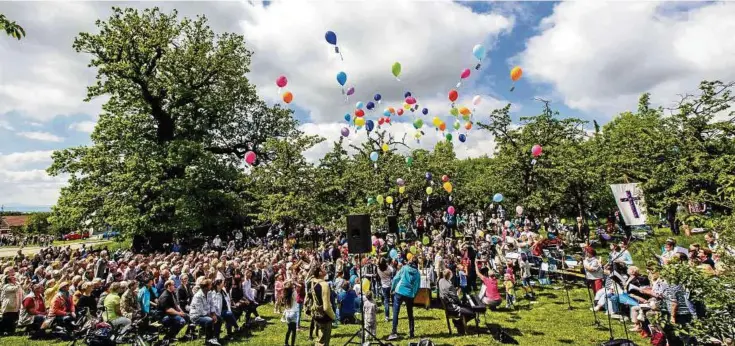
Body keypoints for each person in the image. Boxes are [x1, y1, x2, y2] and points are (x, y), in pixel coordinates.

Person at [387, 255, 421, 341]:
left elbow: (396, 279)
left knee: (396, 312)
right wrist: (414, 295)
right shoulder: (417, 273)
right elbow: (417, 287)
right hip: (409, 294)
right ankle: (411, 333)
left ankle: (394, 332)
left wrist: (392, 288)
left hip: (399, 291)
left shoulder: (404, 268)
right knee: (410, 314)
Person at [438, 269, 475, 334]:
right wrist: (457, 293)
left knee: (467, 307)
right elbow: (456, 299)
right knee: (473, 313)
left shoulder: (440, 281)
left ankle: (458, 322)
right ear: (449, 275)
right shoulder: (449, 285)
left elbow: (447, 292)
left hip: (447, 304)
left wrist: (454, 291)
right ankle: (460, 323)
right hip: (452, 307)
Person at [309, 264, 335, 346]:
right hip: (325, 316)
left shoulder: (312, 281)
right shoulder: (324, 285)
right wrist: (333, 316)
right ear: (320, 273)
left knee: (319, 338)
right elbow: (326, 307)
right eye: (322, 268)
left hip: (316, 313)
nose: (325, 269)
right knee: (324, 342)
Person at [190, 279, 221, 346]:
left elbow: (212, 304)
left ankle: (215, 337)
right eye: (210, 285)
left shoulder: (209, 293)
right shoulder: (198, 296)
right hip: (197, 316)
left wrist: (214, 314)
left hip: (207, 314)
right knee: (209, 320)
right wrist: (211, 316)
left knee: (219, 318)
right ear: (206, 287)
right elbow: (200, 311)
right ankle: (208, 340)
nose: (211, 286)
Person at [281, 280, 298, 346]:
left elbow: (284, 284)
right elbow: (296, 298)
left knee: (289, 329)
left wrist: (289, 281)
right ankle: (292, 344)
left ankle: (286, 343)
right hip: (293, 313)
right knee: (294, 332)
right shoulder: (294, 292)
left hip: (287, 313)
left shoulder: (285, 293)